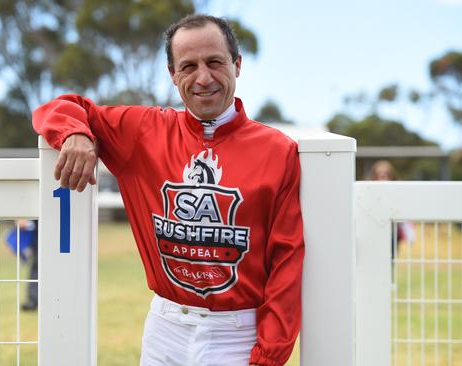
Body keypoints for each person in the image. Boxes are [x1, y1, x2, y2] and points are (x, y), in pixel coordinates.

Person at [33, 14, 304, 366]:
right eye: (188, 66)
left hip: (237, 336)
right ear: (173, 74)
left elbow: (286, 262)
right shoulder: (143, 132)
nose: (203, 78)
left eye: (215, 62)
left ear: (237, 65)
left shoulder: (277, 150)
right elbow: (58, 107)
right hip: (165, 331)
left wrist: (268, 356)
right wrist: (75, 133)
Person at [368, 160, 415, 258]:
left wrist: (410, 234)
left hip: (393, 235)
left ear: (391, 176)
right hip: (372, 235)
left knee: (390, 262)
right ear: (374, 177)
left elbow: (404, 217)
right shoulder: (366, 193)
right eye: (378, 174)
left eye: (386, 174)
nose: (382, 177)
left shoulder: (398, 194)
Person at [5, 219, 39, 311]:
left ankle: (35, 299)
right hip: (37, 232)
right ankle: (33, 299)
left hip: (48, 230)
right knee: (37, 266)